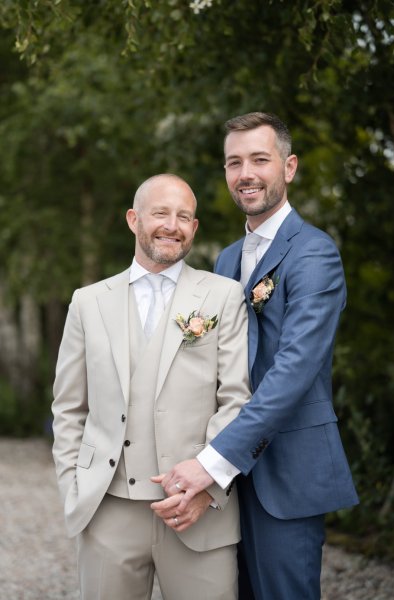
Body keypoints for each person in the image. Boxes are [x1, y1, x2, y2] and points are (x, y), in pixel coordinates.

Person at [157, 113, 359, 600]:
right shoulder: (227, 259)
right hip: (229, 479)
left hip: (285, 471)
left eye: (259, 160)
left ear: (289, 168)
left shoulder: (314, 254)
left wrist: (211, 462)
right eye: (234, 162)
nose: (245, 173)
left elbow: (292, 372)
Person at [51, 173, 251, 600]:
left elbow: (236, 399)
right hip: (108, 510)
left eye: (184, 216)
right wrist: (76, 488)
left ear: (194, 228)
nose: (171, 225)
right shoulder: (88, 302)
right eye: (160, 212)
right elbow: (68, 408)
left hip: (199, 512)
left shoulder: (224, 296)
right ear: (133, 219)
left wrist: (210, 485)